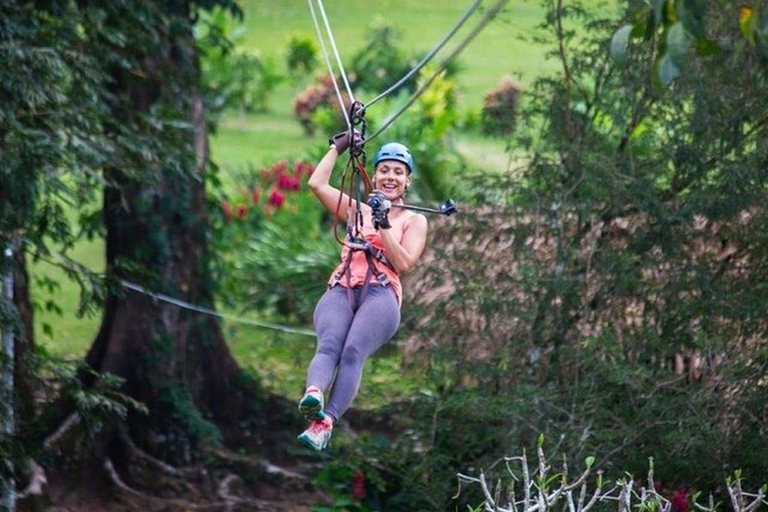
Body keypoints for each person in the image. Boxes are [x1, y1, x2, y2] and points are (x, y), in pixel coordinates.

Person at [297, 132, 428, 451]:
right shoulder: (358, 211)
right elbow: (317, 185)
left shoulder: (415, 219)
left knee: (352, 352)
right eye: (385, 169)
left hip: (380, 295)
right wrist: (336, 148)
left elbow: (405, 262)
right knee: (329, 345)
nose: (390, 176)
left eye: (399, 172)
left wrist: (383, 224)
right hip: (343, 285)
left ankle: (327, 421)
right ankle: (313, 396)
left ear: (407, 181)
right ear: (375, 176)